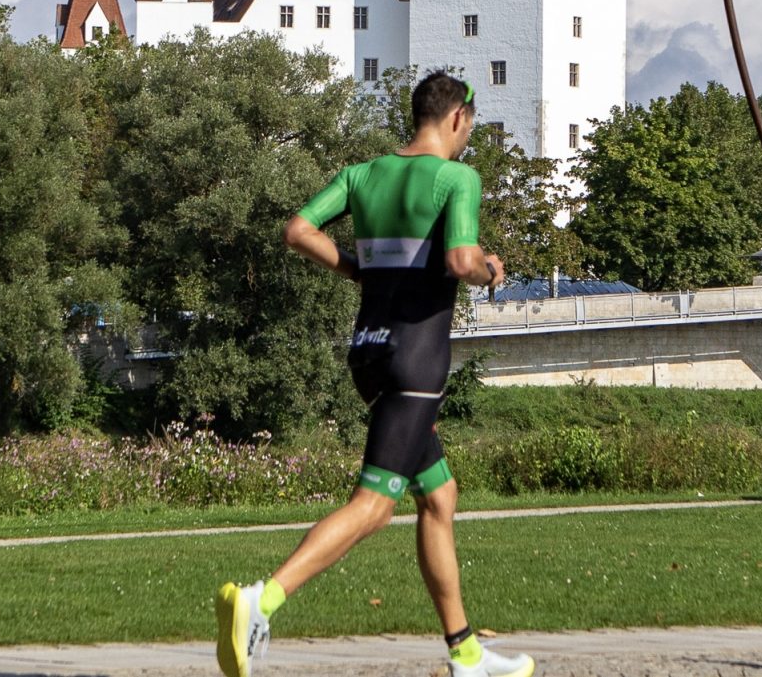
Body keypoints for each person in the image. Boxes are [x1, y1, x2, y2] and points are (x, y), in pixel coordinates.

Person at [216, 72, 532, 677]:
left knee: (439, 496)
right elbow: (461, 260)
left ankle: (466, 652)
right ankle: (262, 600)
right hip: (416, 360)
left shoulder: (363, 174)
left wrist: (358, 271)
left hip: (367, 350)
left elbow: (297, 230)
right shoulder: (457, 177)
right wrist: (488, 267)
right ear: (459, 119)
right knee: (375, 505)